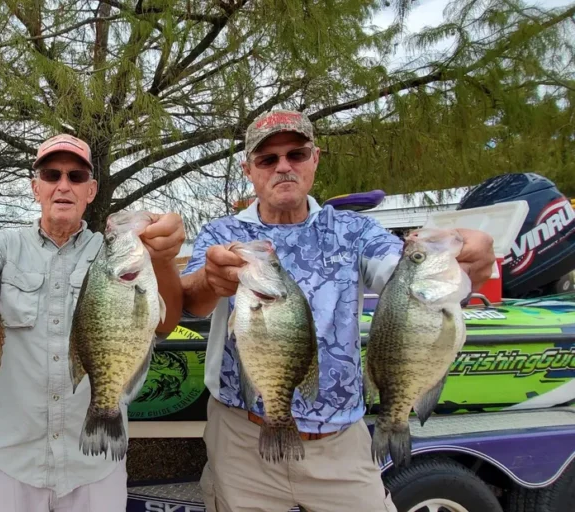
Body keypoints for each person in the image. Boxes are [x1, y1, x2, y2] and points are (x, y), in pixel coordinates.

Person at [180, 109, 495, 512]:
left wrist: (465, 260)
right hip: (243, 440)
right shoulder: (223, 234)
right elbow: (191, 299)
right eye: (267, 159)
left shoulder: (354, 231)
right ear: (249, 169)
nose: (283, 167)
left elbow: (401, 276)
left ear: (315, 159)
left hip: (342, 443)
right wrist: (209, 279)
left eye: (296, 154)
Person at [0, 134, 187, 512]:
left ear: (91, 190)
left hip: (95, 465)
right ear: (35, 187)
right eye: (52, 175)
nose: (63, 185)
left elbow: (162, 324)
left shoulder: (115, 252)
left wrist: (165, 256)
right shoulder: (1, 248)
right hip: (9, 461)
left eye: (76, 176)